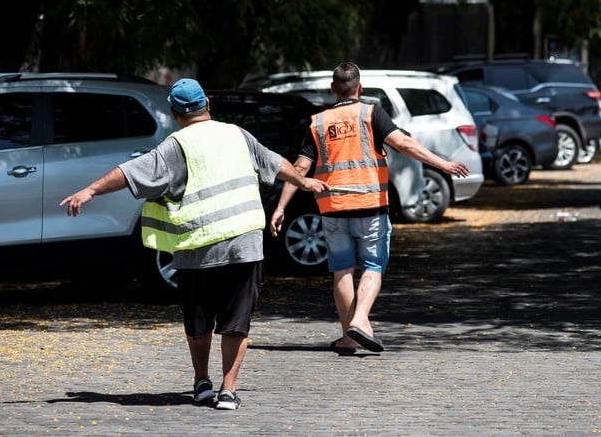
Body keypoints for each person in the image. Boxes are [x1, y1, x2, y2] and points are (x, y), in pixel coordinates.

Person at [60, 78, 328, 410]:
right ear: (208, 104)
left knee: (198, 321)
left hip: (198, 245)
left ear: (174, 113)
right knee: (236, 321)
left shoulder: (177, 144)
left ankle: (202, 382)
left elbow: (131, 172)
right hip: (244, 241)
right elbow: (276, 163)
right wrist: (303, 181)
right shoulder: (237, 134)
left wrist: (90, 190)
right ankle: (228, 390)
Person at [269, 62, 469, 353]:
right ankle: (361, 319)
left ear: (332, 90)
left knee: (342, 271)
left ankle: (348, 337)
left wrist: (280, 207)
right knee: (373, 267)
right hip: (370, 206)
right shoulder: (372, 113)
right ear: (359, 88)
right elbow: (402, 143)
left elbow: (299, 168)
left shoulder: (318, 122)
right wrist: (443, 164)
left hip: (333, 209)